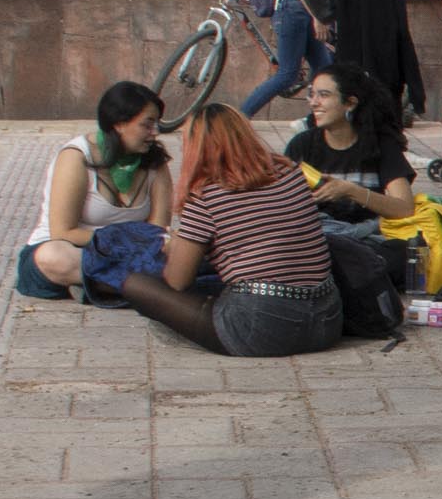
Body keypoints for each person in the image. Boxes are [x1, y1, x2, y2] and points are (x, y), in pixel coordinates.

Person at [120, 105, 346, 358]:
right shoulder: (290, 172)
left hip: (263, 328)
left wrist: (175, 247)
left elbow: (177, 281)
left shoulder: (206, 195)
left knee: (136, 284)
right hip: (327, 319)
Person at [24, 81, 174, 294]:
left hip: (130, 255)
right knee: (55, 256)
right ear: (119, 123)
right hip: (74, 251)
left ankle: (100, 287)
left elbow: (158, 231)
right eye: (147, 125)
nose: (154, 132)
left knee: (181, 253)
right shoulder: (76, 157)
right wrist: (123, 241)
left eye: (157, 124)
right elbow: (62, 232)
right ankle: (137, 289)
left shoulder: (156, 163)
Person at [282, 64, 417, 234]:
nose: (314, 103)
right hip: (318, 241)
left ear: (350, 103)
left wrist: (351, 191)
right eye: (312, 95)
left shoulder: (379, 144)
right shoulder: (302, 145)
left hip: (368, 241)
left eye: (324, 95)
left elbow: (404, 208)